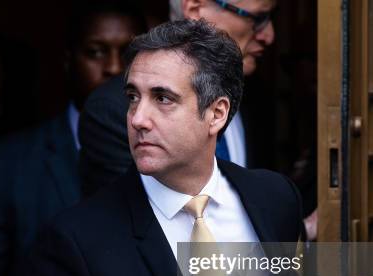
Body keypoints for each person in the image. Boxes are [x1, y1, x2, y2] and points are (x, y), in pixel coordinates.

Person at [9, 20, 368, 276]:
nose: (137, 118)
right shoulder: (76, 243)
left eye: (162, 98)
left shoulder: (272, 200)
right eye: (134, 97)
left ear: (216, 113)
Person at [0, 2, 146, 276]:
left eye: (128, 55)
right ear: (67, 61)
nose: (113, 68)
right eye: (96, 52)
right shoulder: (10, 165)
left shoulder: (176, 161)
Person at [79, 0, 276, 196]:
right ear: (195, 9)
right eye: (257, 18)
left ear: (220, 111)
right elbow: (123, 219)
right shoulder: (111, 110)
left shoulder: (257, 97)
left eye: (163, 98)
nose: (269, 35)